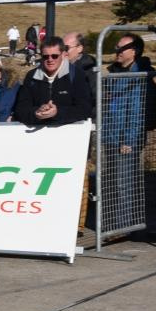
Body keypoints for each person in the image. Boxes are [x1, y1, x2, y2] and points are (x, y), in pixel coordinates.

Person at [102, 33, 156, 229]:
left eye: (121, 48)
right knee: (111, 182)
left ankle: (125, 225)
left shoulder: (139, 77)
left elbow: (137, 111)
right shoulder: (115, 73)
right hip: (111, 135)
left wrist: (129, 140)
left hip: (126, 140)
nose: (117, 52)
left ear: (133, 52)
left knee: (124, 183)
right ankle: (112, 223)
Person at [14, 36, 92, 126]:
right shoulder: (31, 77)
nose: (50, 60)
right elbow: (21, 109)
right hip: (37, 134)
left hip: (68, 134)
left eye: (54, 56)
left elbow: (84, 109)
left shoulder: (76, 74)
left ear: (63, 55)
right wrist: (36, 113)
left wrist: (57, 113)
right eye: (45, 56)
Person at [63, 31, 98, 235]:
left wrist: (77, 115)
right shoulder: (63, 67)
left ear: (79, 48)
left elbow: (93, 101)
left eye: (67, 48)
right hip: (65, 128)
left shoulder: (89, 71)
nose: (64, 51)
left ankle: (78, 222)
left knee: (80, 173)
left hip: (81, 128)